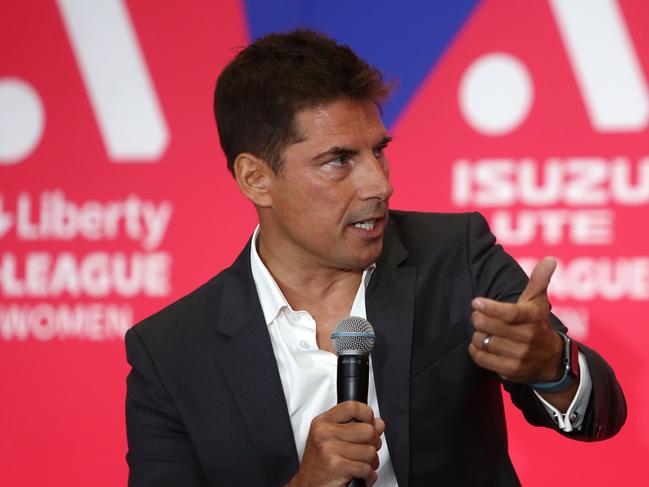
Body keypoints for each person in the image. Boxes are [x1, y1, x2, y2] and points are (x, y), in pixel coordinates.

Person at [125, 30, 626, 486]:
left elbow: (603, 413)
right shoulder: (170, 352)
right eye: (339, 161)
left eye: (378, 151)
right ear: (256, 178)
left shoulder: (456, 256)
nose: (379, 184)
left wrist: (552, 365)